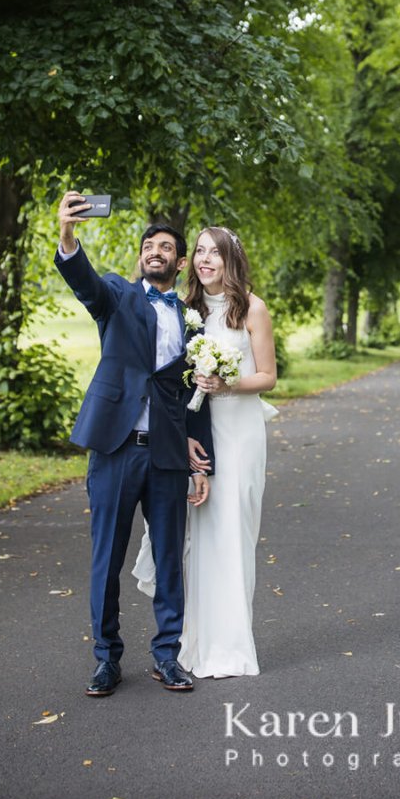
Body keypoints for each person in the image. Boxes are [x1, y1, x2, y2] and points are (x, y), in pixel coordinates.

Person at [54, 192, 212, 698]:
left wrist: (200, 456)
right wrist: (66, 232)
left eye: (165, 246)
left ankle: (168, 656)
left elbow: (196, 391)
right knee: (108, 556)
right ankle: (106, 659)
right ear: (141, 255)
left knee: (169, 557)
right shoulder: (118, 297)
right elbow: (82, 280)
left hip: (167, 451)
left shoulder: (194, 319)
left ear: (179, 260)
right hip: (116, 447)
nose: (155, 251)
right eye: (149, 245)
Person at [133, 225, 276, 678]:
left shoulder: (252, 308)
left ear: (232, 259)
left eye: (214, 253)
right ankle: (187, 645)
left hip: (240, 431)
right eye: (198, 252)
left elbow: (268, 376)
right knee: (194, 537)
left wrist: (226, 382)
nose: (204, 260)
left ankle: (231, 646)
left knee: (231, 534)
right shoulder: (187, 309)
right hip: (196, 434)